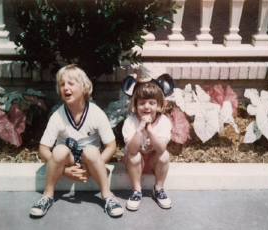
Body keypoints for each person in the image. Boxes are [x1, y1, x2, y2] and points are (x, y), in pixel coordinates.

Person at [30, 65, 124, 218]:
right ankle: (47, 196)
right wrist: (65, 171)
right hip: (69, 160)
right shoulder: (58, 115)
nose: (66, 87)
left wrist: (92, 168)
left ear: (85, 87)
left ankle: (107, 196)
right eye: (62, 84)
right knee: (59, 150)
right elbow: (43, 149)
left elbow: (111, 146)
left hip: (90, 160)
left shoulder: (96, 113)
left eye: (71, 83)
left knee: (91, 151)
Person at [121, 75, 174, 211]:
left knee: (164, 155)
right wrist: (140, 129)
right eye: (142, 103)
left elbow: (161, 148)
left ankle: (159, 188)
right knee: (134, 156)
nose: (147, 107)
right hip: (135, 164)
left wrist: (150, 130)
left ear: (159, 104)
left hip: (152, 163)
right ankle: (136, 190)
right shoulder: (130, 122)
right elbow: (132, 150)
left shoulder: (163, 122)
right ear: (135, 104)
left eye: (152, 103)